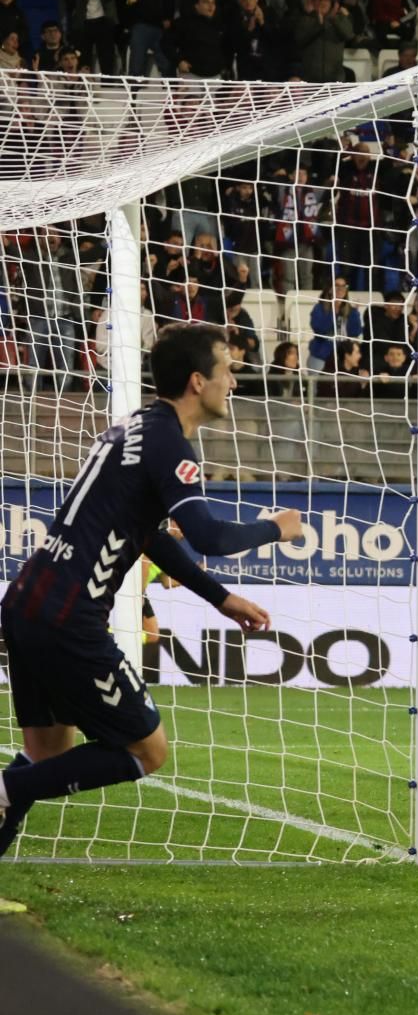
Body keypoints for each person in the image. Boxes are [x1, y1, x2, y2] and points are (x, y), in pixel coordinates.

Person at [0, 324, 302, 857]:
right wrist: (276, 528)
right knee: (148, 751)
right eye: (227, 370)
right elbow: (208, 536)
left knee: (46, 754)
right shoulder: (169, 444)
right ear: (197, 381)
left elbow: (151, 537)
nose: (234, 382)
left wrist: (220, 598)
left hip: (28, 603)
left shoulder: (136, 427)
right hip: (69, 616)